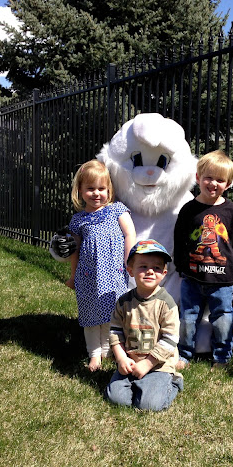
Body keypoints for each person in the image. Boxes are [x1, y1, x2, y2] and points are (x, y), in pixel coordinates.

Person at [173, 149, 233, 370]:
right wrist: (181, 265)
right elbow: (180, 239)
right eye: (208, 177)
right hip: (192, 279)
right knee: (187, 319)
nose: (213, 184)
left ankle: (222, 356)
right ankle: (184, 354)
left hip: (223, 281)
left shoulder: (231, 211)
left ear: (228, 184)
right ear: (198, 177)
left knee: (223, 318)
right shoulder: (189, 210)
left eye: (220, 180)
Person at [66, 159, 136, 371]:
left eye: (101, 189)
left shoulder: (117, 210)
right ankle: (94, 354)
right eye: (90, 189)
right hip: (88, 276)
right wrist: (73, 276)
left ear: (109, 190)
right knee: (90, 316)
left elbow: (129, 234)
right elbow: (74, 250)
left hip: (115, 274)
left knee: (111, 314)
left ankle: (107, 349)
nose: (96, 193)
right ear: (80, 191)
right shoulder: (79, 220)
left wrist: (130, 261)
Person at [105, 240, 183, 411]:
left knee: (148, 405)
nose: (150, 271)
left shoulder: (166, 304)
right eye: (143, 266)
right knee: (116, 398)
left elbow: (170, 339)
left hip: (158, 365)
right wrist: (121, 358)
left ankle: (173, 382)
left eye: (156, 268)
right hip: (130, 363)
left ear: (164, 273)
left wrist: (147, 364)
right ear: (130, 270)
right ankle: (139, 384)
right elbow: (115, 333)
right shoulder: (124, 302)